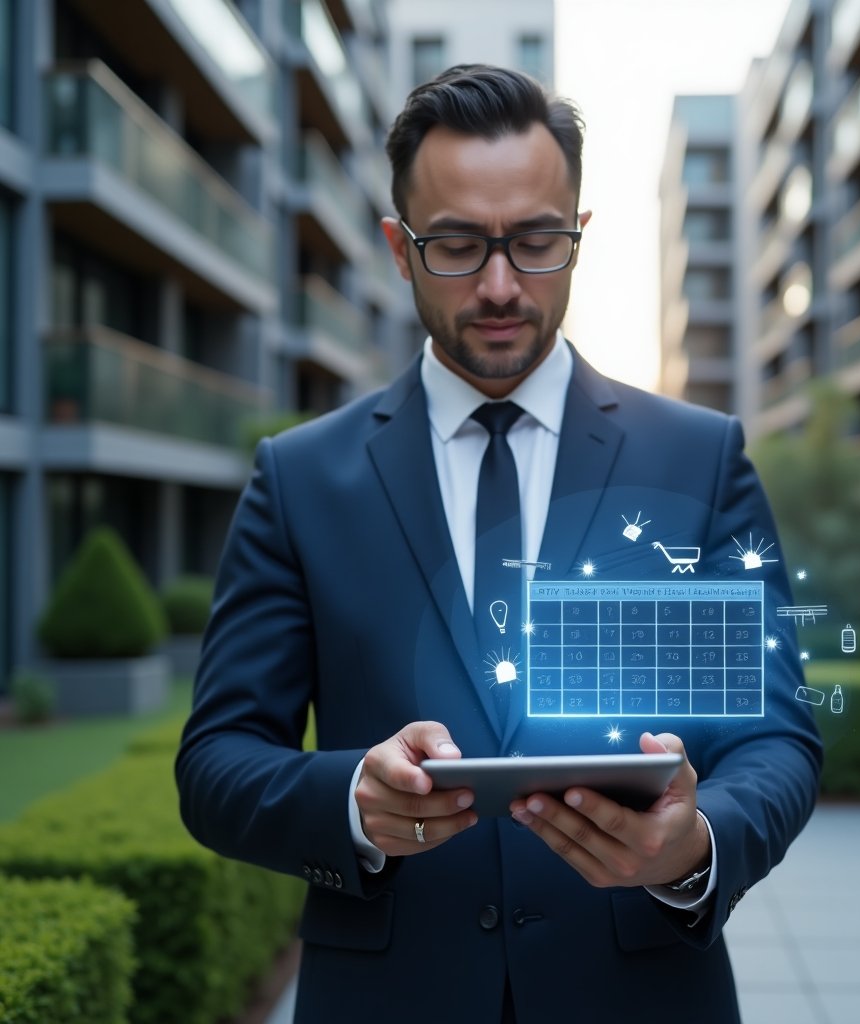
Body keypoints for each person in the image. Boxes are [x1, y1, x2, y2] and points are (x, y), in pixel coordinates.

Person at [176, 65, 822, 1023]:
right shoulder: (300, 478)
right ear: (399, 249)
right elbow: (217, 762)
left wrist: (696, 848)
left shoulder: (699, 459)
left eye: (535, 241)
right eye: (456, 246)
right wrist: (351, 796)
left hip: (642, 992)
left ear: (578, 238)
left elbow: (774, 739)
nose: (499, 284)